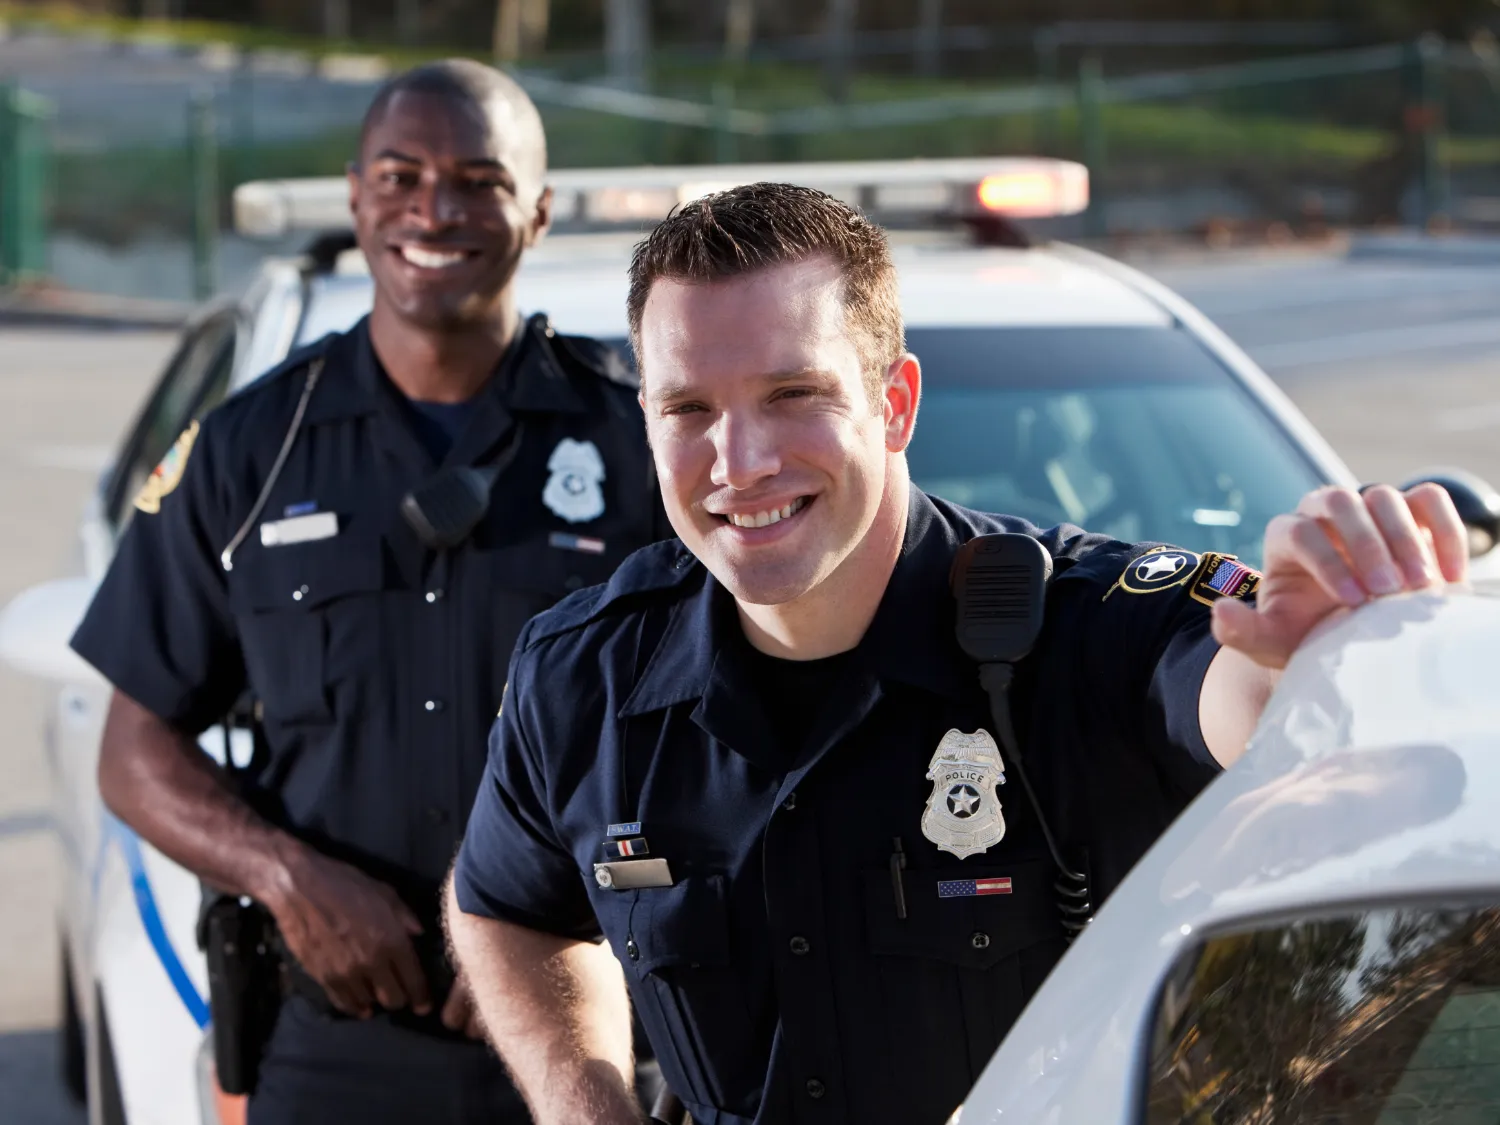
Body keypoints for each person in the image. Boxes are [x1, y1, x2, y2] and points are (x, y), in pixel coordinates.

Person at [443, 182, 1473, 1125]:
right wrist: (586, 1105)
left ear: (895, 404)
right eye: (689, 410)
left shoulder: (1080, 629)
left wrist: (1311, 649)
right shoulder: (584, 675)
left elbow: (1241, 692)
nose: (739, 463)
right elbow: (503, 903)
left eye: (794, 394)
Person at [70, 60, 665, 1125]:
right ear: (356, 197)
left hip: (595, 1049)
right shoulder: (251, 452)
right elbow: (134, 751)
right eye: (401, 175)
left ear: (537, 210)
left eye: (479, 180)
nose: (434, 209)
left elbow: (750, 717)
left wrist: (580, 917)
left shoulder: (643, 443)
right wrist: (290, 880)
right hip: (340, 1053)